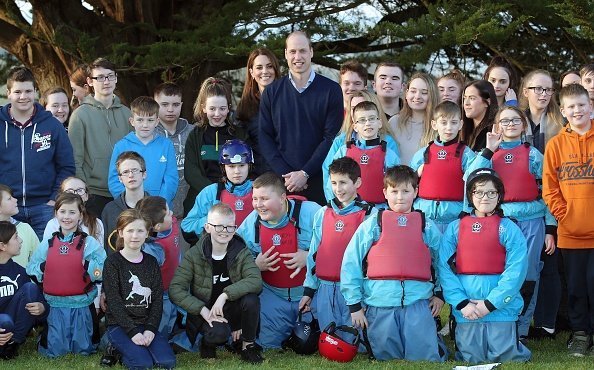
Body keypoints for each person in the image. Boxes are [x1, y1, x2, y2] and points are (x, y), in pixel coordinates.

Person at [340, 165, 445, 361]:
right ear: (385, 193)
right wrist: (354, 305)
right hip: (380, 303)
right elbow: (351, 262)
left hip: (417, 302)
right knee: (386, 357)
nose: (400, 197)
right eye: (394, 191)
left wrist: (439, 294)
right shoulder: (373, 224)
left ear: (416, 192)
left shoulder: (426, 225)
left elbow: (442, 262)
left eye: (406, 191)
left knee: (424, 357)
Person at [469, 106, 556, 342]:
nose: (510, 124)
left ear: (524, 124)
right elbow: (469, 178)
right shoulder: (488, 154)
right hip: (499, 221)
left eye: (515, 120)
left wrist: (550, 228)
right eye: (505, 121)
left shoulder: (533, 154)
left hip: (531, 221)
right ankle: (499, 325)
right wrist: (488, 149)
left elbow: (549, 191)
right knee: (499, 273)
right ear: (497, 125)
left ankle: (521, 330)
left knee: (527, 275)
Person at [439, 168, 530, 364]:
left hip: (499, 307)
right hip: (467, 308)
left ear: (499, 195)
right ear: (470, 195)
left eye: (491, 192)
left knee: (505, 356)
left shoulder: (509, 228)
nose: (485, 197)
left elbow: (516, 271)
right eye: (478, 192)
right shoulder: (455, 228)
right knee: (472, 357)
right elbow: (444, 268)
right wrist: (462, 303)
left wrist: (490, 304)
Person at [170, 203, 264, 363]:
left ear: (235, 229)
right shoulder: (195, 254)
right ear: (207, 227)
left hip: (232, 307)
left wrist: (224, 295)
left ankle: (247, 346)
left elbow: (255, 281)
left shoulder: (241, 251)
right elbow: (175, 289)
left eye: (229, 227)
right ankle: (207, 344)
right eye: (218, 226)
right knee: (219, 334)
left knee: (251, 299)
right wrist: (202, 310)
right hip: (207, 310)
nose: (224, 231)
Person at [236, 172, 321, 349]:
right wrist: (254, 265)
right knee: (268, 345)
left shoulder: (312, 212)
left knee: (315, 343)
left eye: (264, 199)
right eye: (255, 198)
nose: (258, 205)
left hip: (312, 297)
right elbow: (233, 259)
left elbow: (341, 247)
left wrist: (310, 256)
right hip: (273, 296)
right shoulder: (251, 223)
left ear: (282, 198)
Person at [259, 31, 343, 205]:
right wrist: (288, 176)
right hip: (281, 183)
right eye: (293, 51)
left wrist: (305, 173)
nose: (298, 56)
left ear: (311, 52)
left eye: (303, 51)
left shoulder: (331, 90)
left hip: (320, 181)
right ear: (285, 54)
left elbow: (330, 138)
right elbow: (265, 136)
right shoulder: (272, 92)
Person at [543, 83, 594, 356]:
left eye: (581, 105)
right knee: (575, 288)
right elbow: (550, 188)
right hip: (571, 233)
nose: (577, 110)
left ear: (590, 106)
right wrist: (565, 215)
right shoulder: (555, 145)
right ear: (563, 110)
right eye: (571, 106)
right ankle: (581, 334)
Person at [299, 157, 376, 333]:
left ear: (357, 182)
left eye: (343, 182)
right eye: (333, 182)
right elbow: (313, 254)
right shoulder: (323, 213)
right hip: (325, 287)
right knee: (328, 338)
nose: (338, 188)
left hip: (356, 290)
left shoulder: (370, 215)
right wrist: (309, 291)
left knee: (353, 341)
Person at [0, 66, 75, 240]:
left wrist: (53, 198)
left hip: (44, 207)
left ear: (35, 92)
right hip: (7, 208)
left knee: (45, 260)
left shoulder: (52, 125)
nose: (23, 96)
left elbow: (66, 166)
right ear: (8, 93)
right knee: (7, 261)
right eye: (17, 91)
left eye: (28, 91)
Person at [27, 192, 106, 357]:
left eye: (72, 212)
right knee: (55, 351)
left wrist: (86, 266)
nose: (67, 216)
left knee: (84, 349)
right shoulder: (48, 243)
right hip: (56, 305)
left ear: (80, 215)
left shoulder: (89, 243)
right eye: (62, 211)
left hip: (81, 304)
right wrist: (46, 267)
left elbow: (103, 269)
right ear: (56, 214)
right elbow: (31, 268)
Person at [102, 209, 176, 370]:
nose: (135, 236)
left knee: (166, 362)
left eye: (140, 231)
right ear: (121, 232)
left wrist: (150, 329)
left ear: (147, 233)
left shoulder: (151, 262)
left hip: (145, 322)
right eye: (130, 231)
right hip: (120, 325)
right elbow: (114, 302)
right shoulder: (113, 263)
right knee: (143, 364)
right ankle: (116, 348)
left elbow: (156, 299)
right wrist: (132, 332)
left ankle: (139, 346)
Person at [68, 57, 133, 218]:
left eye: (110, 76)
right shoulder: (80, 115)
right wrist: (83, 191)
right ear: (90, 81)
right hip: (94, 193)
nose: (106, 81)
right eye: (100, 77)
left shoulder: (127, 113)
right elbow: (76, 158)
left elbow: (135, 153)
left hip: (124, 191)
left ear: (116, 78)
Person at [410, 101, 476, 232]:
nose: (449, 128)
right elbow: (407, 183)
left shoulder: (466, 154)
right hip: (425, 216)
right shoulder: (423, 153)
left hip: (453, 218)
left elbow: (475, 183)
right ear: (434, 124)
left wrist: (467, 212)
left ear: (460, 124)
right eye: (444, 122)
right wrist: (416, 174)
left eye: (453, 122)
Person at [184, 77, 247, 214]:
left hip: (234, 198)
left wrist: (227, 194)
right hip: (202, 198)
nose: (217, 114)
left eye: (222, 108)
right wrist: (214, 193)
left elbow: (246, 167)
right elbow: (191, 172)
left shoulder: (240, 135)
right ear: (204, 108)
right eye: (212, 108)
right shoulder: (195, 135)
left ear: (229, 108)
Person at [323, 90, 399, 197]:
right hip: (348, 205)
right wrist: (333, 202)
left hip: (378, 205)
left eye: (371, 117)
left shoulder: (388, 145)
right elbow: (329, 171)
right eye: (355, 107)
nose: (367, 123)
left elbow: (395, 179)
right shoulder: (341, 143)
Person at [108, 96, 178, 206]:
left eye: (150, 120)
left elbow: (171, 178)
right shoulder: (121, 146)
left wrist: (160, 203)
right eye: (140, 120)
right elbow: (114, 179)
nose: (145, 125)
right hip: (130, 208)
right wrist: (129, 202)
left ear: (157, 121)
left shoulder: (166, 145)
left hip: (159, 207)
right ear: (132, 121)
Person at [182, 139, 254, 243]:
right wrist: (213, 220)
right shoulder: (210, 192)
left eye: (242, 165)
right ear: (224, 168)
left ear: (249, 166)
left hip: (253, 253)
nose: (237, 171)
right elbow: (187, 226)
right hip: (219, 250)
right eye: (231, 166)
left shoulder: (259, 190)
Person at [0, 221, 48, 360]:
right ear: (2, 246)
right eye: (15, 237)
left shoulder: (20, 272)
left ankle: (12, 344)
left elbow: (41, 309)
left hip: (12, 327)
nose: (20, 240)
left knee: (30, 288)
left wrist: (42, 308)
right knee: (4, 320)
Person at [135, 196, 179, 337]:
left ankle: (171, 333)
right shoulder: (153, 248)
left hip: (174, 286)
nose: (172, 213)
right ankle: (158, 340)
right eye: (167, 213)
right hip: (160, 295)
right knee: (162, 321)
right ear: (158, 226)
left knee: (172, 315)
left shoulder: (171, 224)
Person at [236, 48, 280, 176]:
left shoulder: (289, 102)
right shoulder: (244, 109)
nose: (265, 71)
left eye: (269, 66)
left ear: (276, 70)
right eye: (259, 67)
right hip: (257, 179)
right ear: (252, 72)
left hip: (287, 178)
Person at [154, 82, 194, 221]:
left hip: (189, 208)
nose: (170, 109)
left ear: (181, 105)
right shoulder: (149, 135)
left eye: (175, 105)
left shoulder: (192, 132)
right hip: (157, 211)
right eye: (164, 104)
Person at [102, 151, 149, 253]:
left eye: (135, 170)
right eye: (126, 172)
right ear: (120, 178)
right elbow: (107, 246)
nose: (131, 175)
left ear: (144, 174)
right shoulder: (110, 210)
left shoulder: (156, 207)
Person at [389, 72, 439, 165]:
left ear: (432, 96)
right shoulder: (394, 122)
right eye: (413, 91)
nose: (417, 96)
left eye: (424, 92)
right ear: (406, 93)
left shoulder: (438, 126)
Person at [43, 176, 104, 247]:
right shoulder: (53, 224)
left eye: (80, 190)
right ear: (62, 195)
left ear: (87, 196)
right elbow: (46, 253)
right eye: (69, 191)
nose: (75, 194)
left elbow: (99, 254)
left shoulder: (96, 223)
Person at [519, 69, 564, 152]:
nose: (544, 94)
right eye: (538, 89)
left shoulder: (561, 121)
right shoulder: (516, 121)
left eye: (548, 89)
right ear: (526, 92)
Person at [0, 184, 39, 267]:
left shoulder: (25, 228)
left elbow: (38, 259)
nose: (16, 200)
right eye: (9, 199)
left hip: (22, 279)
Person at [461, 80, 499, 151]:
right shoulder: (461, 129)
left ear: (487, 102)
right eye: (465, 98)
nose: (466, 103)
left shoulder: (494, 132)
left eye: (472, 98)